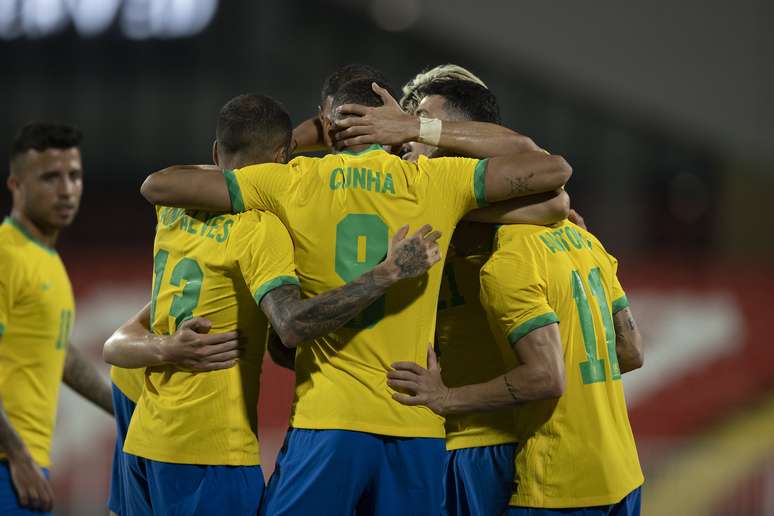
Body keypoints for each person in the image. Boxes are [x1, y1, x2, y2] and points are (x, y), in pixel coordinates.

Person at [139, 76, 572, 514]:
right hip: (413, 419)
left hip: (327, 421)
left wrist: (306, 135)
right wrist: (418, 130)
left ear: (331, 124)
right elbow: (552, 169)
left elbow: (161, 186)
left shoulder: (289, 180)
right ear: (389, 120)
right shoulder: (436, 181)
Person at [103, 93, 442, 516]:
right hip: (212, 448)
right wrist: (386, 273)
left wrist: (166, 348)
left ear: (215, 152)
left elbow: (120, 341)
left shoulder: (173, 212)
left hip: (144, 439)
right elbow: (291, 325)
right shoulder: (260, 227)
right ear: (284, 156)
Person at [387, 218, 646, 515]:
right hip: (617, 470)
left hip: (508, 454)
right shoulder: (584, 240)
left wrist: (447, 397)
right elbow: (630, 352)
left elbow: (545, 376)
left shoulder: (505, 260)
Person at [404, 72, 568, 516]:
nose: (405, 133)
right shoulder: (414, 196)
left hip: (490, 439)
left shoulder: (513, 217)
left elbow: (553, 187)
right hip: (434, 436)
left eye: (419, 120)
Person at [0, 122, 114, 516]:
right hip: (10, 463)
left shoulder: (46, 260)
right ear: (16, 185)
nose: (66, 189)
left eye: (74, 176)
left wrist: (122, 407)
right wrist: (15, 454)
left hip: (26, 463)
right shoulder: (7, 255)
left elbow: (59, 353)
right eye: (51, 177)